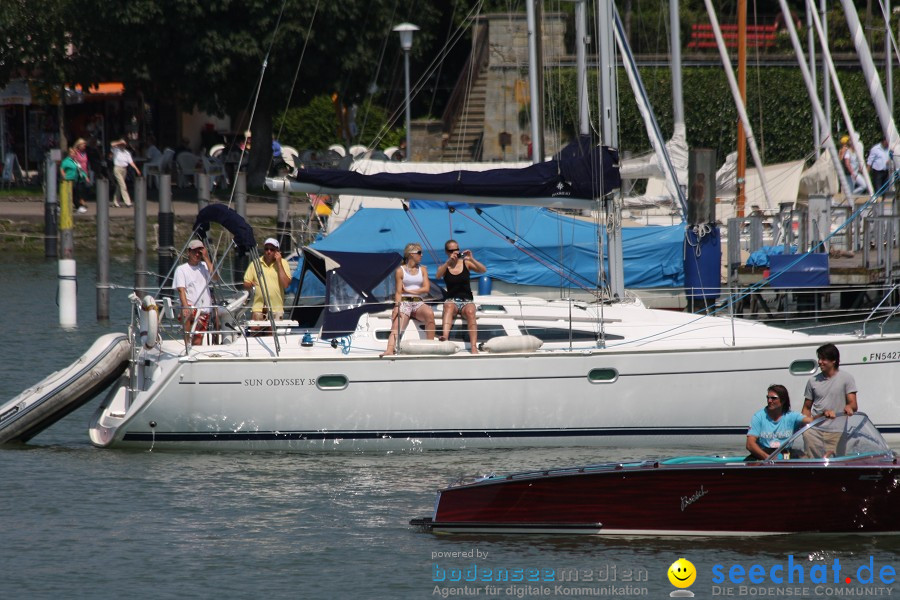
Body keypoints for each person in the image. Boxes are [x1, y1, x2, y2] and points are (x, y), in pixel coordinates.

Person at [801, 343, 858, 458]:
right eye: (819, 358)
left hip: (837, 431)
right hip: (814, 431)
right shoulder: (812, 381)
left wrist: (848, 407)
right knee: (814, 465)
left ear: (834, 361)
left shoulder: (846, 378)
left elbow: (853, 404)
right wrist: (806, 427)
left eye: (823, 359)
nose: (820, 362)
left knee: (836, 463)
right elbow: (806, 408)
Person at [382, 242, 436, 356]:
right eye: (419, 253)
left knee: (429, 314)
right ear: (411, 254)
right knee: (397, 324)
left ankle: (431, 346)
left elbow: (426, 289)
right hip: (404, 302)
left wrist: (410, 291)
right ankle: (389, 349)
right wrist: (396, 307)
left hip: (418, 303)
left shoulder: (423, 270)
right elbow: (398, 292)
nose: (422, 255)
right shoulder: (400, 271)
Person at [436, 239, 487, 354]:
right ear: (446, 252)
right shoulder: (445, 267)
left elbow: (483, 270)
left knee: (470, 312)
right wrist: (448, 262)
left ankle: (473, 346)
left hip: (466, 300)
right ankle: (445, 336)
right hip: (452, 300)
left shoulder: (466, 263)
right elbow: (438, 275)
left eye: (457, 249)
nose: (455, 252)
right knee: (448, 306)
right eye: (451, 250)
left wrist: (472, 258)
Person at [746, 384, 812, 460]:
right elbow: (750, 444)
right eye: (768, 398)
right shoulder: (758, 416)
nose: (769, 401)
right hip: (764, 453)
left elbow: (811, 420)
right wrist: (767, 458)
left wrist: (824, 414)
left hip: (785, 452)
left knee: (804, 458)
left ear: (783, 400)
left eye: (773, 398)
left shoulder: (792, 416)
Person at [174, 239, 218, 345]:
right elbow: (181, 289)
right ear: (189, 252)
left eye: (200, 252)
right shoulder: (181, 269)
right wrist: (185, 306)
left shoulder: (204, 266)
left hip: (204, 309)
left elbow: (215, 278)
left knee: (198, 341)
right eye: (195, 251)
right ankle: (187, 344)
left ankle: (193, 352)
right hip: (190, 306)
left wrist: (206, 258)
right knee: (186, 314)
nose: (197, 254)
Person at [243, 237, 292, 321]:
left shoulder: (284, 263)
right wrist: (250, 284)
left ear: (277, 251)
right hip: (258, 308)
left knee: (271, 333)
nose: (268, 252)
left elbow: (286, 284)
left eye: (272, 249)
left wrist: (279, 263)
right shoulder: (255, 263)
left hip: (276, 309)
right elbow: (245, 283)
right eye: (266, 249)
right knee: (255, 332)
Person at [111, 139, 140, 208]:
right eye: (121, 145)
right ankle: (128, 202)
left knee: (119, 186)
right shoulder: (116, 150)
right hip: (117, 168)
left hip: (124, 169)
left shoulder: (127, 153)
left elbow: (131, 162)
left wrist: (136, 169)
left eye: (124, 145)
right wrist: (119, 142)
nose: (122, 146)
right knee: (123, 186)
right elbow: (112, 144)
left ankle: (115, 201)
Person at [59, 146, 89, 213]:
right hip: (68, 179)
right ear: (69, 153)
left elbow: (80, 169)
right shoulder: (66, 161)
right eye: (72, 153)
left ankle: (77, 206)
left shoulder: (75, 162)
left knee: (75, 194)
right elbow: (62, 168)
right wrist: (64, 176)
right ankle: (77, 206)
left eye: (75, 153)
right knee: (71, 194)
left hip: (75, 180)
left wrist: (85, 176)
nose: (73, 154)